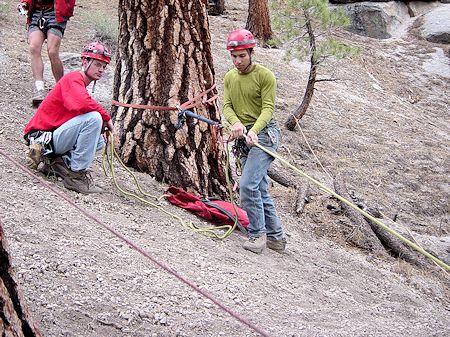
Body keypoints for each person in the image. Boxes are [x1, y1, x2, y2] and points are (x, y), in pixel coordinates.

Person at [223, 28, 286, 254]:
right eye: (234, 56)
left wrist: (254, 130)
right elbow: (227, 106)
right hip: (244, 136)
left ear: (251, 53)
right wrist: (236, 124)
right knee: (259, 187)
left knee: (248, 185)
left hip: (265, 136)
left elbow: (268, 108)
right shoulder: (230, 77)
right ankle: (277, 238)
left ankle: (258, 234)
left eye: (242, 56)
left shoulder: (265, 76)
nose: (237, 61)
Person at [23, 41, 114, 194]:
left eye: (104, 67)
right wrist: (106, 117)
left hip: (51, 135)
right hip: (41, 136)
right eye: (98, 64)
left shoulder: (78, 83)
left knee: (98, 141)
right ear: (85, 61)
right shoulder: (72, 79)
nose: (101, 70)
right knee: (94, 119)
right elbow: (81, 103)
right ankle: (75, 176)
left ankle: (55, 163)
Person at [17, 0, 75, 106]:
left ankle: (62, 89)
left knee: (52, 51)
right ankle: (39, 88)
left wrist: (67, 8)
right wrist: (25, 2)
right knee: (34, 47)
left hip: (55, 12)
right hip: (36, 12)